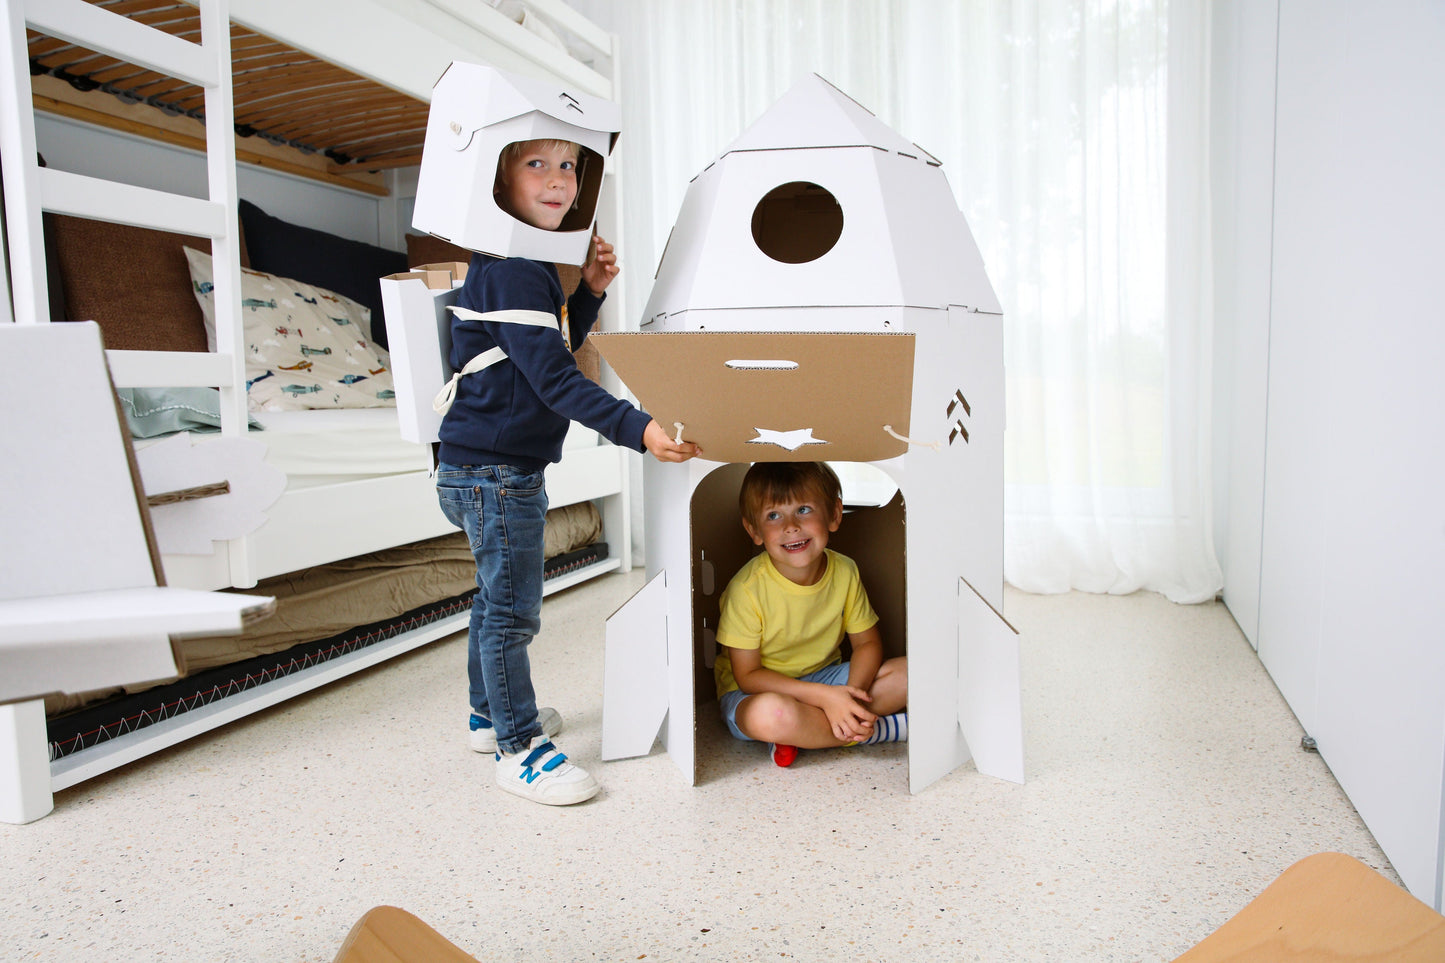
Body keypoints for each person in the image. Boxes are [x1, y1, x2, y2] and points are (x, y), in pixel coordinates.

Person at [436, 138, 698, 806]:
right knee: (510, 614)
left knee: (492, 602)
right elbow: (556, 379)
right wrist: (639, 428)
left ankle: (487, 716)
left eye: (568, 166)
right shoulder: (514, 270)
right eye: (535, 164)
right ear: (497, 182)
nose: (557, 179)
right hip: (495, 473)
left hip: (480, 465)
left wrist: (588, 293)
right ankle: (518, 747)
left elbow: (542, 351)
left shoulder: (516, 266)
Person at [714, 462, 908, 768]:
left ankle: (810, 733)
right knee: (772, 715)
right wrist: (824, 698)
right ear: (754, 531)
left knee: (909, 673)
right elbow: (748, 677)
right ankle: (872, 732)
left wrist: (850, 698)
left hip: (827, 678)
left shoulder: (845, 571)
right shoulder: (746, 590)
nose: (791, 526)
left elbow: (867, 644)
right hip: (756, 692)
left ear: (834, 515)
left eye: (803, 509)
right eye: (773, 515)